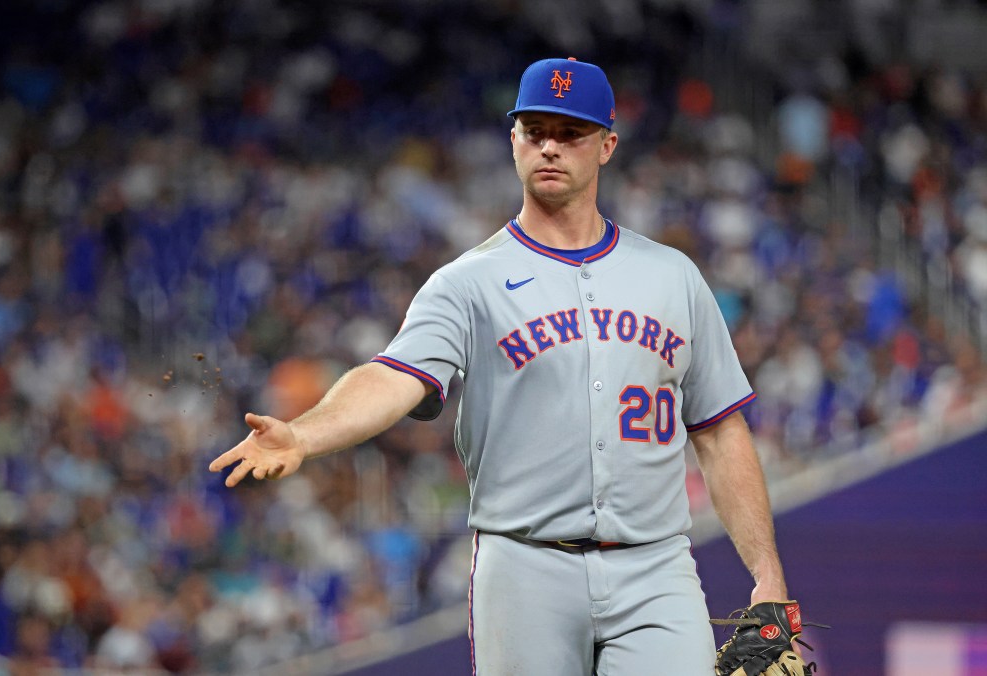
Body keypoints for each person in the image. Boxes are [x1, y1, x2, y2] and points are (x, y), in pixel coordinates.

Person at [209, 57, 791, 675]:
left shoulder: (672, 277)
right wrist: (303, 433)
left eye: (571, 134)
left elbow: (720, 430)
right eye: (535, 130)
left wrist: (767, 573)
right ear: (513, 140)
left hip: (655, 567)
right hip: (525, 567)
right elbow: (393, 376)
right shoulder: (466, 283)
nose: (550, 147)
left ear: (607, 146)